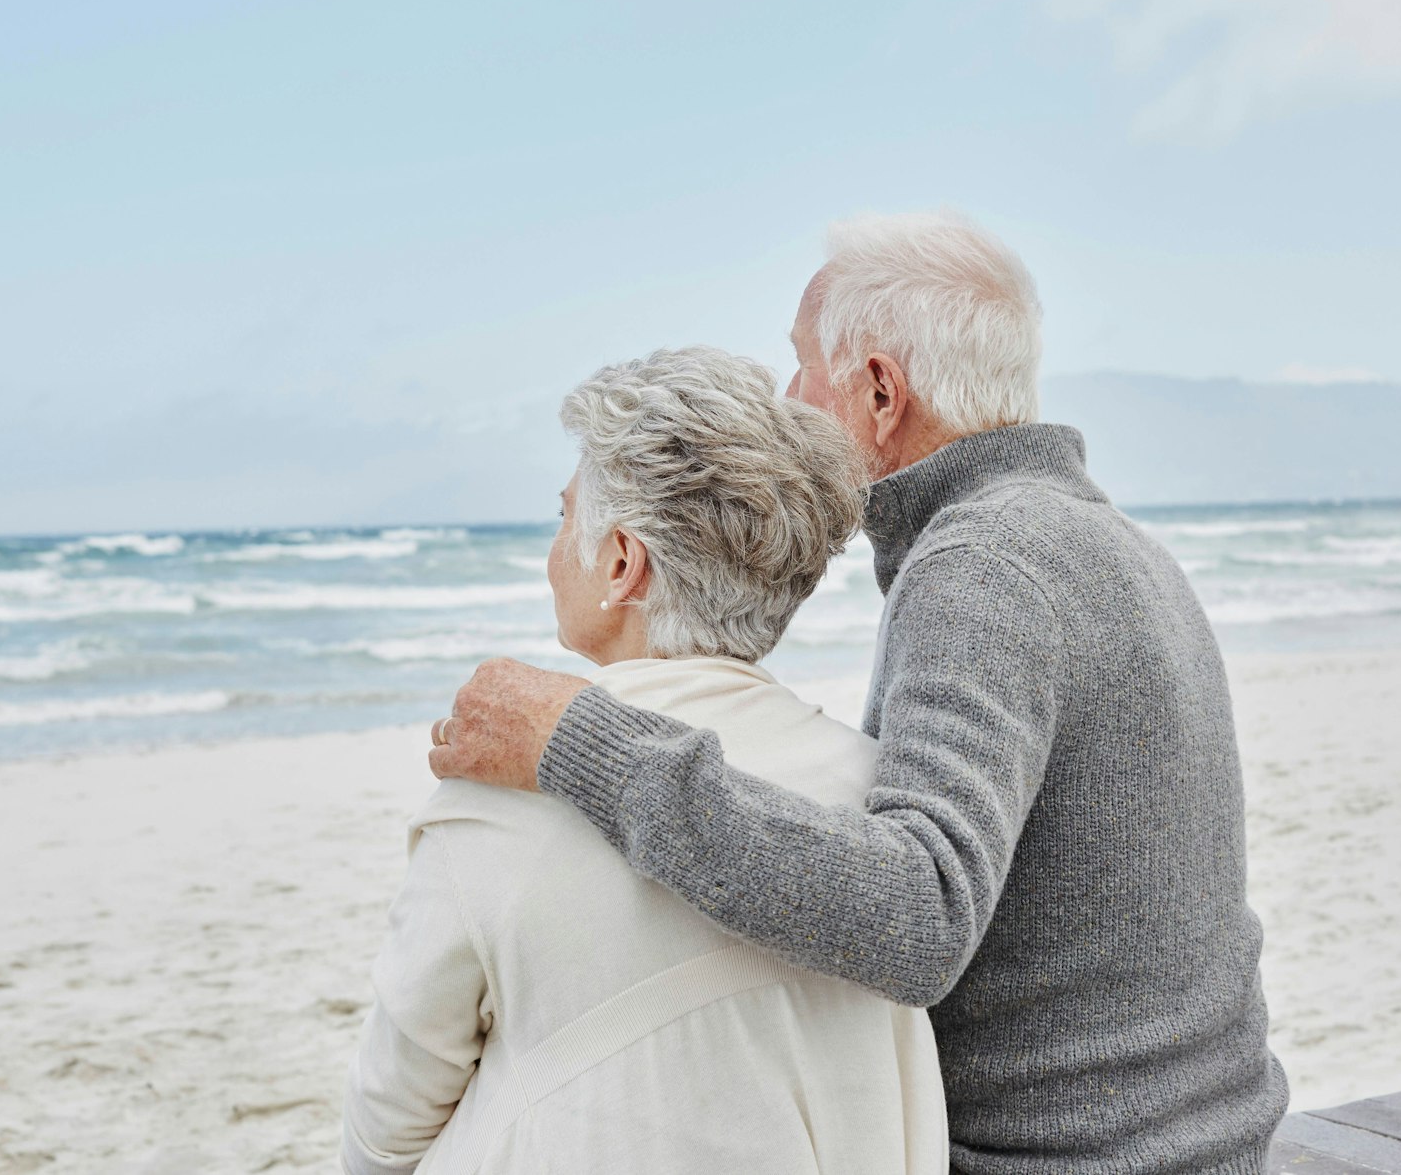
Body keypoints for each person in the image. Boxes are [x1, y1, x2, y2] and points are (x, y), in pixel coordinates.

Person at [427, 212, 1291, 1174]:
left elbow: (919, 916)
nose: (788, 399)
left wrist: (573, 738)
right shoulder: (1114, 543)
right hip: (1208, 1138)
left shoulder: (982, 565)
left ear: (879, 390)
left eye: (800, 367)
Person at [342, 347, 949, 1174]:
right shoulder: (878, 796)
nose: (552, 548)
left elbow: (384, 1134)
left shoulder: (496, 809)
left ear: (623, 563)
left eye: (565, 518)